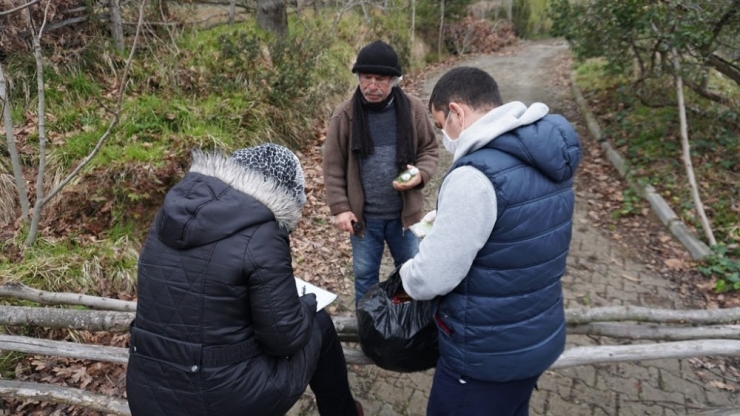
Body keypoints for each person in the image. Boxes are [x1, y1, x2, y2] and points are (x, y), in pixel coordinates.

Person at [126, 143, 363, 416]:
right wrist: (307, 304)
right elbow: (285, 339)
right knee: (318, 323)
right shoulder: (264, 233)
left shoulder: (167, 217)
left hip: (144, 390)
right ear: (284, 194)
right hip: (219, 401)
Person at [399, 67, 582, 416]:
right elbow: (518, 235)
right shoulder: (545, 157)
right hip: (536, 338)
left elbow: (433, 277)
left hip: (485, 355)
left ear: (457, 112)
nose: (444, 137)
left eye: (442, 126)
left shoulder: (474, 177)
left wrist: (405, 276)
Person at [323, 40, 439, 306]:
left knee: (411, 274)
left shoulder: (413, 109)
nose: (371, 86)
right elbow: (332, 167)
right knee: (365, 278)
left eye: (380, 79)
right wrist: (340, 208)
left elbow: (430, 150)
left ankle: (408, 330)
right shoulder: (345, 115)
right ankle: (370, 333)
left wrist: (420, 174)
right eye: (366, 78)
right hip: (364, 220)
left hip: (404, 218)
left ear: (395, 80)